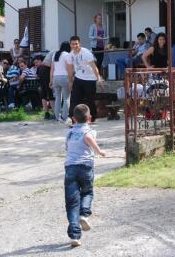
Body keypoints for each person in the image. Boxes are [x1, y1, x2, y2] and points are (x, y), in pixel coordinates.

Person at [64, 104, 106, 248]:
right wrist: (99, 151)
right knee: (87, 192)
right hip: (86, 167)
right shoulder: (90, 131)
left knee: (71, 202)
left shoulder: (69, 133)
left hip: (70, 168)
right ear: (89, 118)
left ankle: (74, 236)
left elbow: (67, 147)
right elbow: (89, 139)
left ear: (73, 119)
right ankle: (84, 214)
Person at [67, 36, 103, 122]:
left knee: (90, 99)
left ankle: (92, 118)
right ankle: (73, 119)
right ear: (70, 44)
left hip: (90, 79)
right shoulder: (70, 55)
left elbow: (94, 67)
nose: (74, 46)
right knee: (74, 99)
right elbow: (70, 69)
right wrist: (70, 81)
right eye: (72, 44)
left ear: (79, 44)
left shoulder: (86, 53)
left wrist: (99, 79)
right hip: (78, 78)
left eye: (76, 44)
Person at [51, 42, 72, 124]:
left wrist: (51, 80)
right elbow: (69, 68)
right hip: (64, 77)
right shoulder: (67, 55)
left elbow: (52, 69)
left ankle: (57, 117)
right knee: (66, 98)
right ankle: (64, 117)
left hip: (55, 78)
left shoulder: (55, 54)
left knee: (58, 98)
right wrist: (71, 80)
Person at [34, 55, 54, 120]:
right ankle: (54, 114)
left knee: (44, 96)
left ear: (40, 61)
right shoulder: (46, 66)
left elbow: (37, 76)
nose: (35, 64)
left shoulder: (40, 67)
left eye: (36, 62)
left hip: (43, 83)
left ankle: (46, 114)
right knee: (51, 95)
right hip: (48, 81)